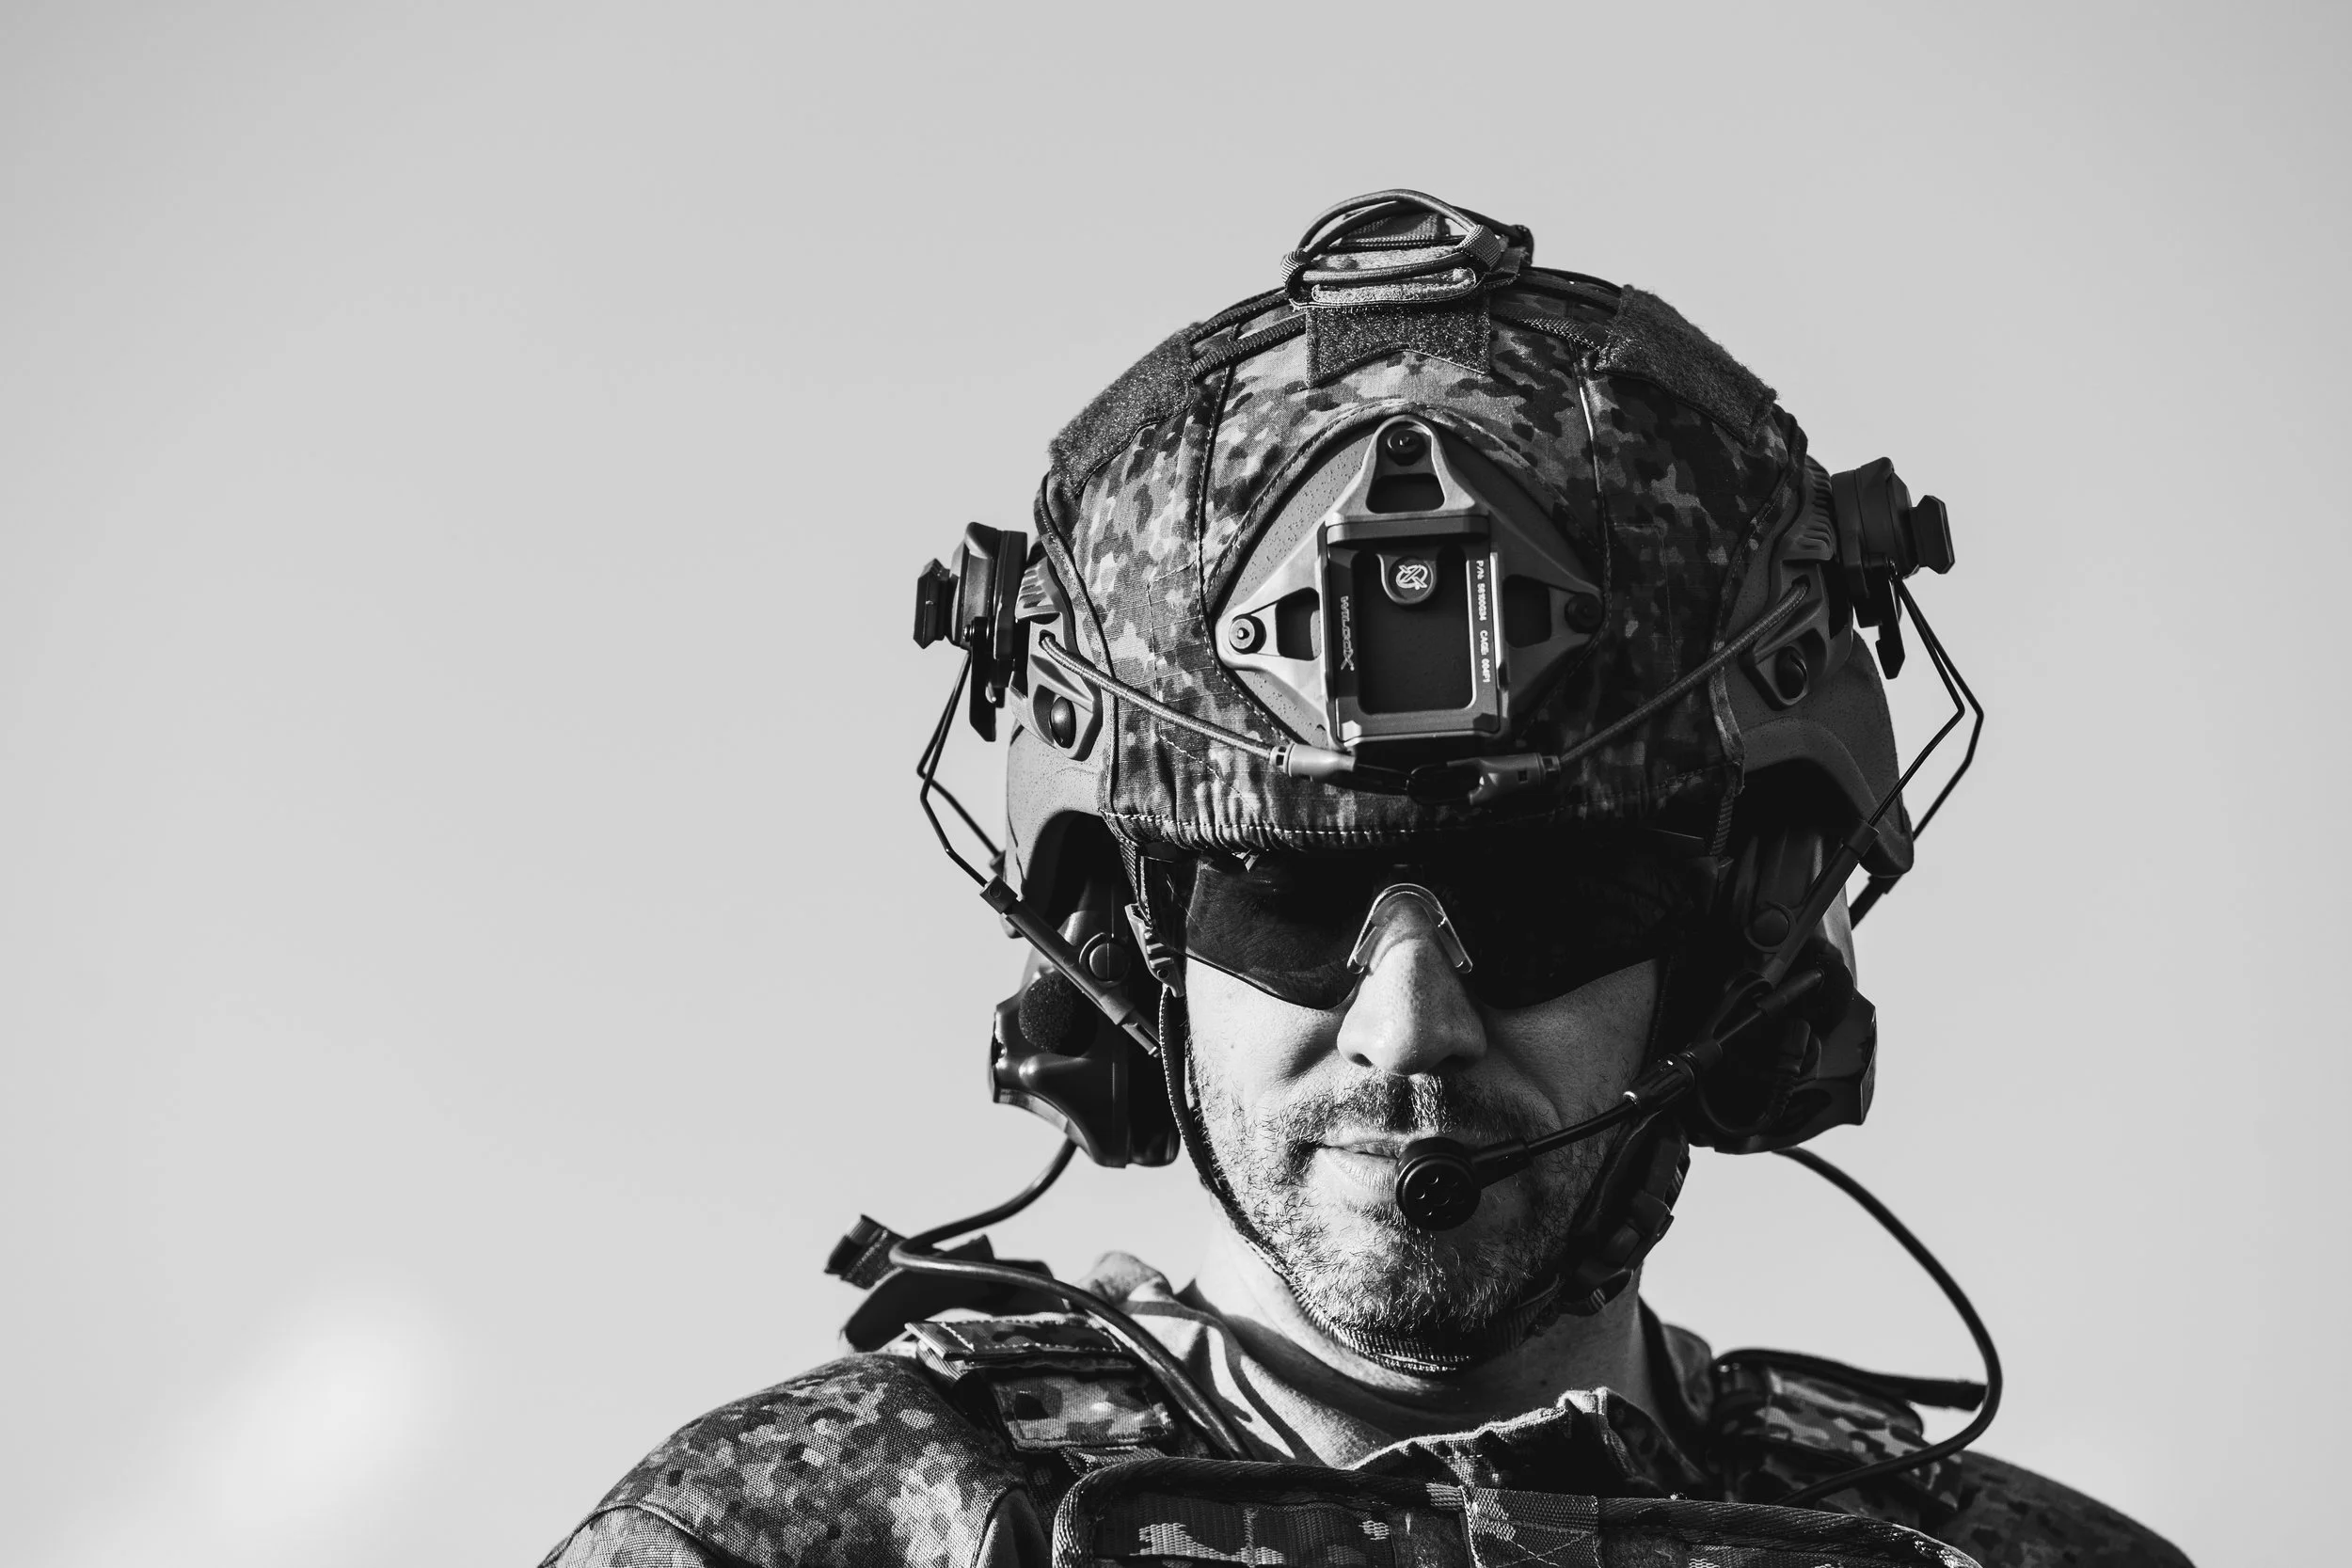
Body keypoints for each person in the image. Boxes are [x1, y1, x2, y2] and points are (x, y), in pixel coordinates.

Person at [540, 192, 2188, 1568]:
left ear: (1738, 941)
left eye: (1545, 897)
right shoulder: (796, 1540)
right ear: (1126, 947)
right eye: (1291, 894)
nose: (1410, 1027)